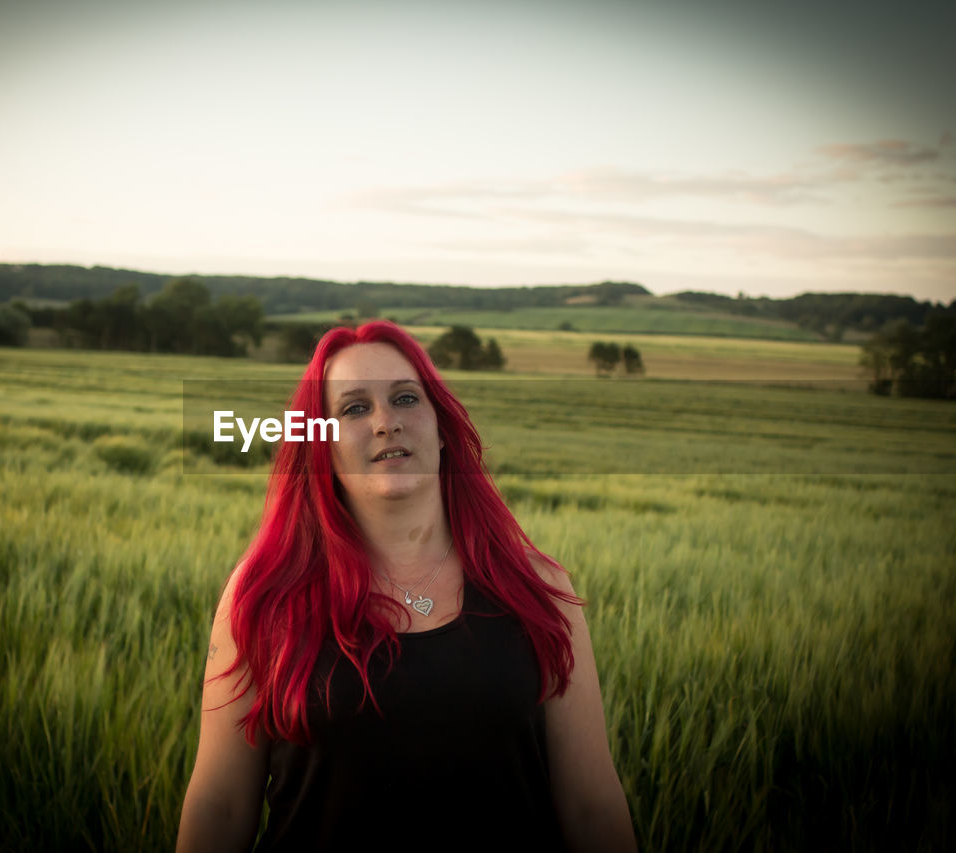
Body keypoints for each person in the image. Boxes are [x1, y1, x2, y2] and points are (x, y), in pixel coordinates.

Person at [177, 321, 635, 852]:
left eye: (405, 398)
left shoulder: (539, 588)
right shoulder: (264, 593)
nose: (385, 423)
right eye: (353, 409)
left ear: (441, 426)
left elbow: (591, 806)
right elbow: (221, 803)